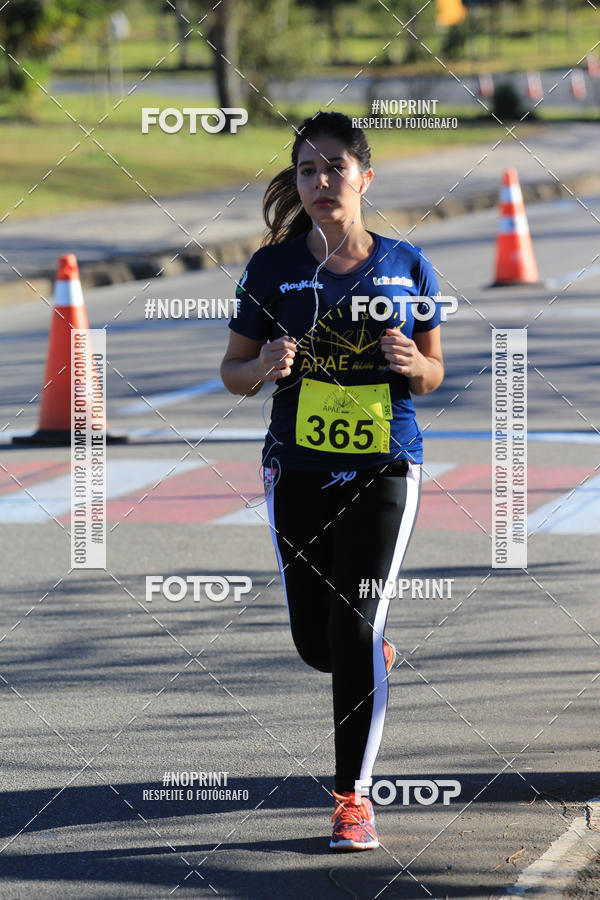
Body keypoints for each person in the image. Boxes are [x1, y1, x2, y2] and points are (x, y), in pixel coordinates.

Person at [220, 110, 445, 851]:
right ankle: (365, 655)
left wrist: (417, 367)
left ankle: (353, 796)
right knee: (318, 643)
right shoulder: (272, 269)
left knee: (354, 621)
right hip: (299, 467)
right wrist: (262, 368)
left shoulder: (407, 263)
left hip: (386, 463)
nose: (321, 182)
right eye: (308, 171)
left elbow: (434, 368)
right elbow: (233, 372)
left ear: (364, 177)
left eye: (336, 168)